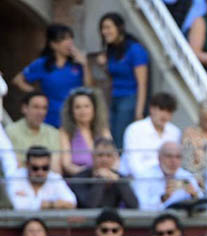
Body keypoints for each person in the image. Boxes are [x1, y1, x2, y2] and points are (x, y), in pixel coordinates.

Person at [12, 24, 88, 129]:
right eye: (64, 39)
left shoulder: (77, 63)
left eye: (71, 38)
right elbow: (18, 80)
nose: (69, 42)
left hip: (74, 118)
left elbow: (89, 87)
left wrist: (85, 65)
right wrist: (36, 94)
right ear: (53, 44)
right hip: (51, 119)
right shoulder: (42, 64)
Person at [96, 13, 150, 142]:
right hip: (114, 97)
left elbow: (142, 83)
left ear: (119, 28)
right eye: (103, 28)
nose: (105, 32)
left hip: (130, 98)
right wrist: (103, 66)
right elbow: (111, 77)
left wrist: (139, 111)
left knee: (121, 138)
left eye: (108, 27)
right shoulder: (112, 50)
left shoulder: (134, 49)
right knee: (111, 136)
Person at [122, 91, 182, 179]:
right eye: (161, 109)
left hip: (167, 180)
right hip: (137, 180)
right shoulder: (134, 129)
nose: (164, 115)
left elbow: (176, 162)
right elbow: (133, 163)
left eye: (169, 111)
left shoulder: (175, 132)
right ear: (151, 109)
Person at [67, 138, 139, 209]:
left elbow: (134, 205)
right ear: (92, 157)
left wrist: (119, 182)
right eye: (100, 155)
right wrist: (101, 179)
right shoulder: (80, 178)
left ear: (115, 158)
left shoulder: (119, 178)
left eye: (108, 155)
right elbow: (89, 206)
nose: (104, 159)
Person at [134, 140, 205, 211]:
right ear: (159, 158)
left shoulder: (186, 176)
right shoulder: (144, 176)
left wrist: (194, 195)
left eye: (178, 157)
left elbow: (204, 206)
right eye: (169, 156)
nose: (174, 161)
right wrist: (163, 198)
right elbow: (140, 207)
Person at [58, 88, 112, 178]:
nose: (82, 111)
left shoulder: (103, 130)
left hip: (104, 179)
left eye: (87, 106)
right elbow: (67, 165)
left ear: (94, 109)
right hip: (80, 181)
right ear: (71, 111)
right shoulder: (65, 132)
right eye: (77, 107)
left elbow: (115, 159)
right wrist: (91, 174)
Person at [7, 146, 79, 211]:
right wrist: (52, 205)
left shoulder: (55, 178)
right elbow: (15, 205)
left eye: (45, 168)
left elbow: (71, 202)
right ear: (27, 165)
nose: (40, 172)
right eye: (35, 168)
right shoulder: (16, 177)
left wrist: (45, 204)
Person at [5, 93, 62, 174]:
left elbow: (56, 169)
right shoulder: (10, 132)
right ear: (24, 108)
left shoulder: (53, 133)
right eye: (36, 107)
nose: (41, 112)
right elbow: (13, 166)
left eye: (44, 108)